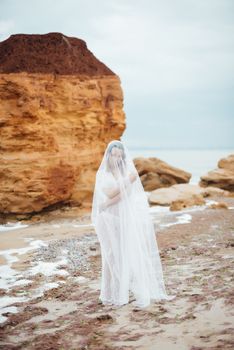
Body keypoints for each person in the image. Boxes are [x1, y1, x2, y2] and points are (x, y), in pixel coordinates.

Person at [91, 140, 175, 308]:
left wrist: (111, 199)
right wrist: (126, 182)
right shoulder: (103, 174)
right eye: (113, 155)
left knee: (122, 254)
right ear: (108, 156)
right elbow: (109, 192)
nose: (115, 158)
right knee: (109, 256)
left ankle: (120, 292)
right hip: (106, 219)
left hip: (122, 218)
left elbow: (125, 194)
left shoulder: (124, 173)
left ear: (122, 157)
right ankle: (108, 294)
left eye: (118, 156)